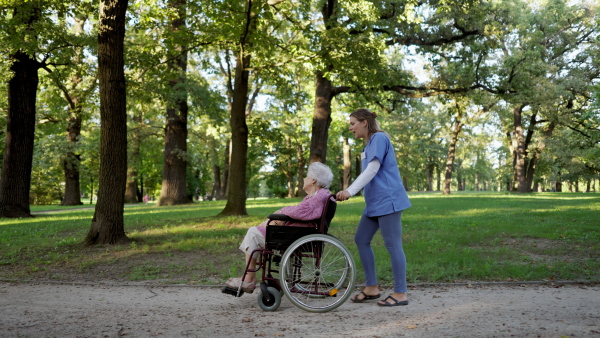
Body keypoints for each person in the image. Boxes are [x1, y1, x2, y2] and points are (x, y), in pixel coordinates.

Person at [336, 108, 412, 307]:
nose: (350, 128)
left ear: (364, 123)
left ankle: (401, 293)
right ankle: (372, 288)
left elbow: (373, 169)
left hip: (388, 200)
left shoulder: (379, 138)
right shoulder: (368, 145)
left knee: (393, 245)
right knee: (361, 239)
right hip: (375, 203)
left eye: (353, 123)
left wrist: (350, 191)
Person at [225, 162, 334, 293]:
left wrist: (280, 212)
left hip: (293, 236)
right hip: (298, 232)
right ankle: (250, 277)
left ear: (313, 180)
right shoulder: (319, 195)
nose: (304, 179)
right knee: (261, 228)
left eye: (307, 176)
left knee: (253, 232)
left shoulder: (318, 197)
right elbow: (299, 211)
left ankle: (249, 279)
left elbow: (299, 212)